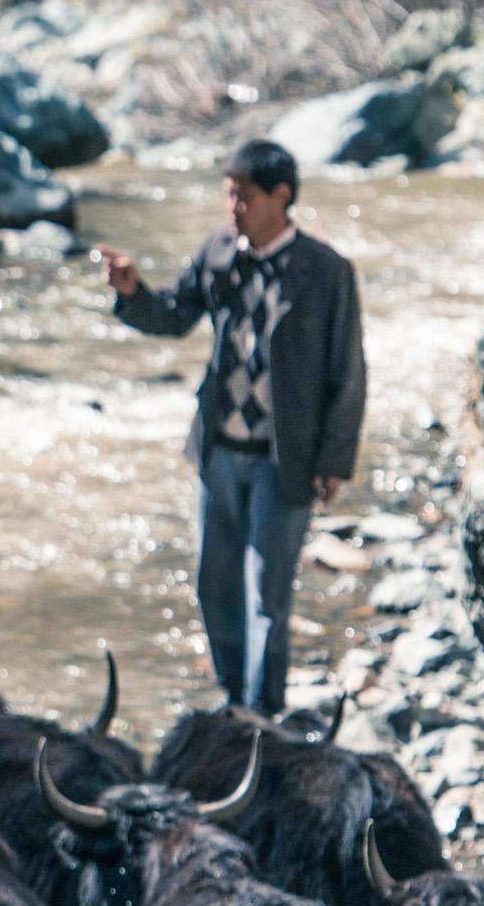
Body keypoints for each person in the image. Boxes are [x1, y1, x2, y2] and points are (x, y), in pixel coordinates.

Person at [96, 139, 364, 717]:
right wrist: (132, 293)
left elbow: (348, 371)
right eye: (228, 195)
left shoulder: (326, 271)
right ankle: (230, 702)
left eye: (241, 196)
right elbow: (173, 316)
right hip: (217, 452)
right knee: (214, 588)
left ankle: (261, 717)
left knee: (267, 596)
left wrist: (334, 462)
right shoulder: (219, 251)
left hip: (283, 459)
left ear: (281, 196)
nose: (232, 207)